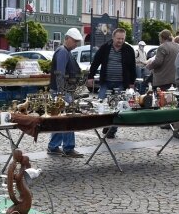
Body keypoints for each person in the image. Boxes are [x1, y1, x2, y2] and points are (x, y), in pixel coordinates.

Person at [88, 27, 136, 138]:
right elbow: (96, 62)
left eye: (122, 39)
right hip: (106, 82)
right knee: (102, 103)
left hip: (121, 82)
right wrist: (90, 76)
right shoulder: (105, 48)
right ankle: (106, 123)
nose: (120, 41)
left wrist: (132, 83)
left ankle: (112, 129)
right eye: (118, 38)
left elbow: (132, 67)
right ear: (113, 37)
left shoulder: (129, 49)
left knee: (118, 107)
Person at [47, 28, 84, 158]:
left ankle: (53, 146)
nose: (76, 44)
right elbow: (60, 74)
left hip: (61, 91)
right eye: (74, 41)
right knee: (68, 120)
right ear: (67, 38)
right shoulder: (63, 52)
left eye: (77, 42)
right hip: (62, 92)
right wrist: (61, 93)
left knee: (59, 120)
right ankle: (68, 148)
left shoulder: (65, 51)